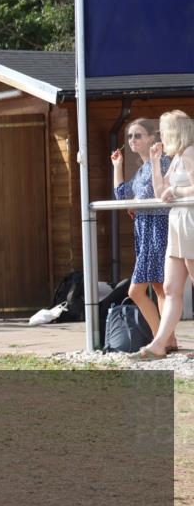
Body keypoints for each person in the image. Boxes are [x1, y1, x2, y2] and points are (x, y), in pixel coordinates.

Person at [133, 110, 194, 360]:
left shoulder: (190, 153)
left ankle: (160, 344)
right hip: (177, 222)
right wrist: (155, 161)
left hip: (190, 220)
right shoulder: (178, 157)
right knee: (170, 287)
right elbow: (161, 192)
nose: (161, 136)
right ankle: (159, 344)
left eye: (163, 130)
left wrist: (177, 192)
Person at [111, 118, 175, 350]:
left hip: (157, 228)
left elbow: (157, 194)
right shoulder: (142, 169)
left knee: (136, 290)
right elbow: (123, 197)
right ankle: (169, 340)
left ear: (151, 138)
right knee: (158, 286)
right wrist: (117, 167)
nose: (132, 140)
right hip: (144, 228)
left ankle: (161, 339)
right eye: (129, 136)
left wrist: (137, 202)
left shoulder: (163, 162)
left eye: (138, 135)